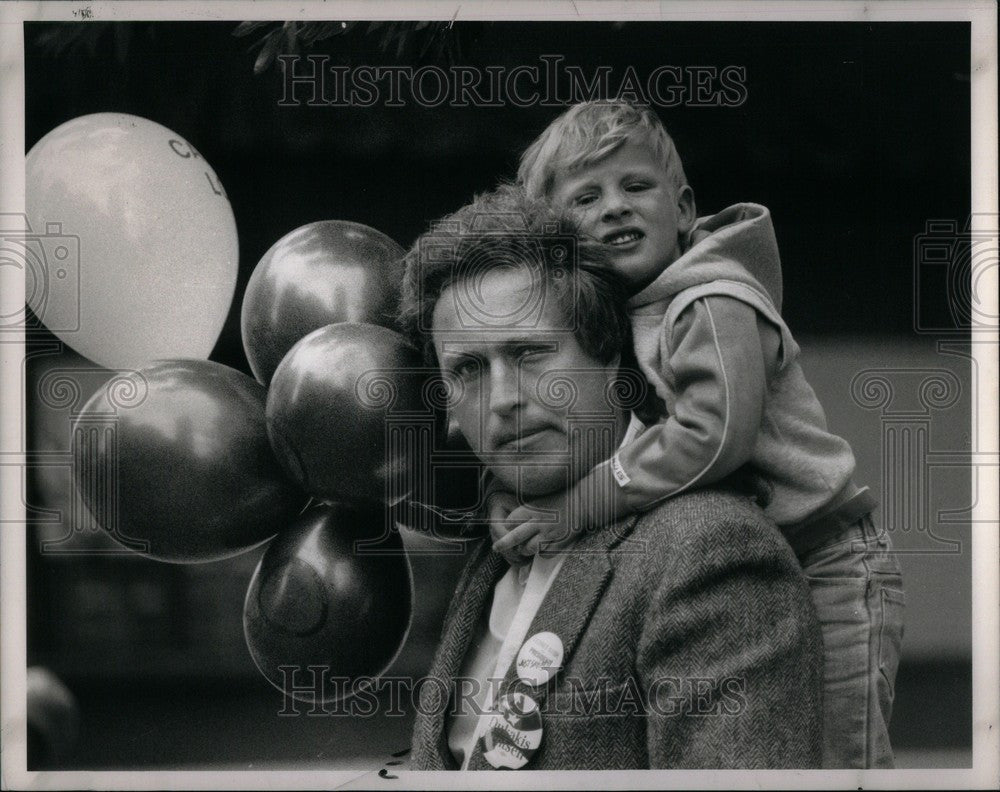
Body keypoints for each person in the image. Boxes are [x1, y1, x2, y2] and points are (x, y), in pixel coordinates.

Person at [489, 100, 904, 768]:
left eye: (636, 187)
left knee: (840, 756)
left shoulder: (710, 299)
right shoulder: (623, 323)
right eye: (587, 197)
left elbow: (713, 437)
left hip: (825, 556)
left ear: (682, 210)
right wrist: (512, 489)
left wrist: (581, 504)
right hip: (760, 564)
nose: (616, 207)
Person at [398, 185, 824, 770]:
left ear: (612, 356)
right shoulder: (495, 546)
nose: (502, 400)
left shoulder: (710, 552)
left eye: (530, 354)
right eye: (468, 369)